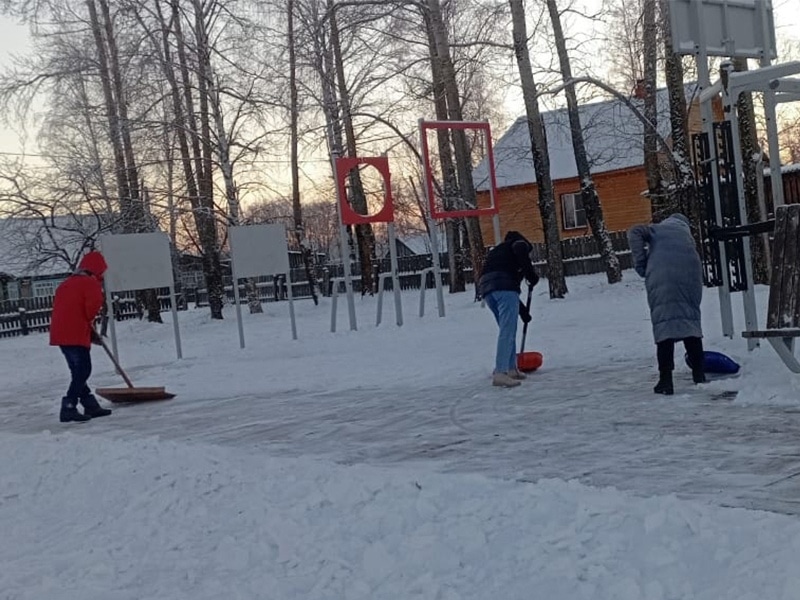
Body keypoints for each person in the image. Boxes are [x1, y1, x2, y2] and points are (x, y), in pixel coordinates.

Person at [628, 213, 706, 395]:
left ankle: (665, 380)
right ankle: (699, 374)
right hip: (691, 276)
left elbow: (634, 232)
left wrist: (642, 265)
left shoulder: (658, 229)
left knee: (665, 326)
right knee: (690, 323)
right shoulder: (686, 236)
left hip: (663, 278)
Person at [49, 250, 113, 422]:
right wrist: (90, 324)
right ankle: (69, 405)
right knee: (83, 370)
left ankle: (90, 405)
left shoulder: (66, 283)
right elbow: (91, 308)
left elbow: (69, 308)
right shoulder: (90, 284)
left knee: (77, 371)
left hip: (61, 333)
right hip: (75, 332)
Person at [478, 231, 539, 388]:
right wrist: (531, 275)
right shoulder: (518, 244)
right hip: (504, 288)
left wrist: (523, 311)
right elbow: (506, 285)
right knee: (508, 330)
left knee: (507, 329)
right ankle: (501, 372)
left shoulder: (499, 251)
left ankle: (511, 368)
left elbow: (502, 282)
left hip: (486, 288)